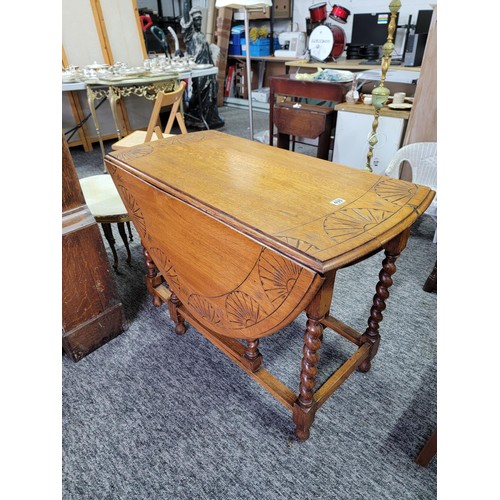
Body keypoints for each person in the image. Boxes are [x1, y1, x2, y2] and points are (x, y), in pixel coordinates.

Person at [181, 7, 224, 129]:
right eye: (196, 20)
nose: (199, 22)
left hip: (208, 69)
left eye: (200, 19)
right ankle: (197, 116)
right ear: (192, 22)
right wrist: (185, 7)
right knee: (200, 92)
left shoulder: (201, 35)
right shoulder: (190, 35)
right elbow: (185, 28)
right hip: (199, 71)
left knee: (212, 91)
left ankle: (210, 116)